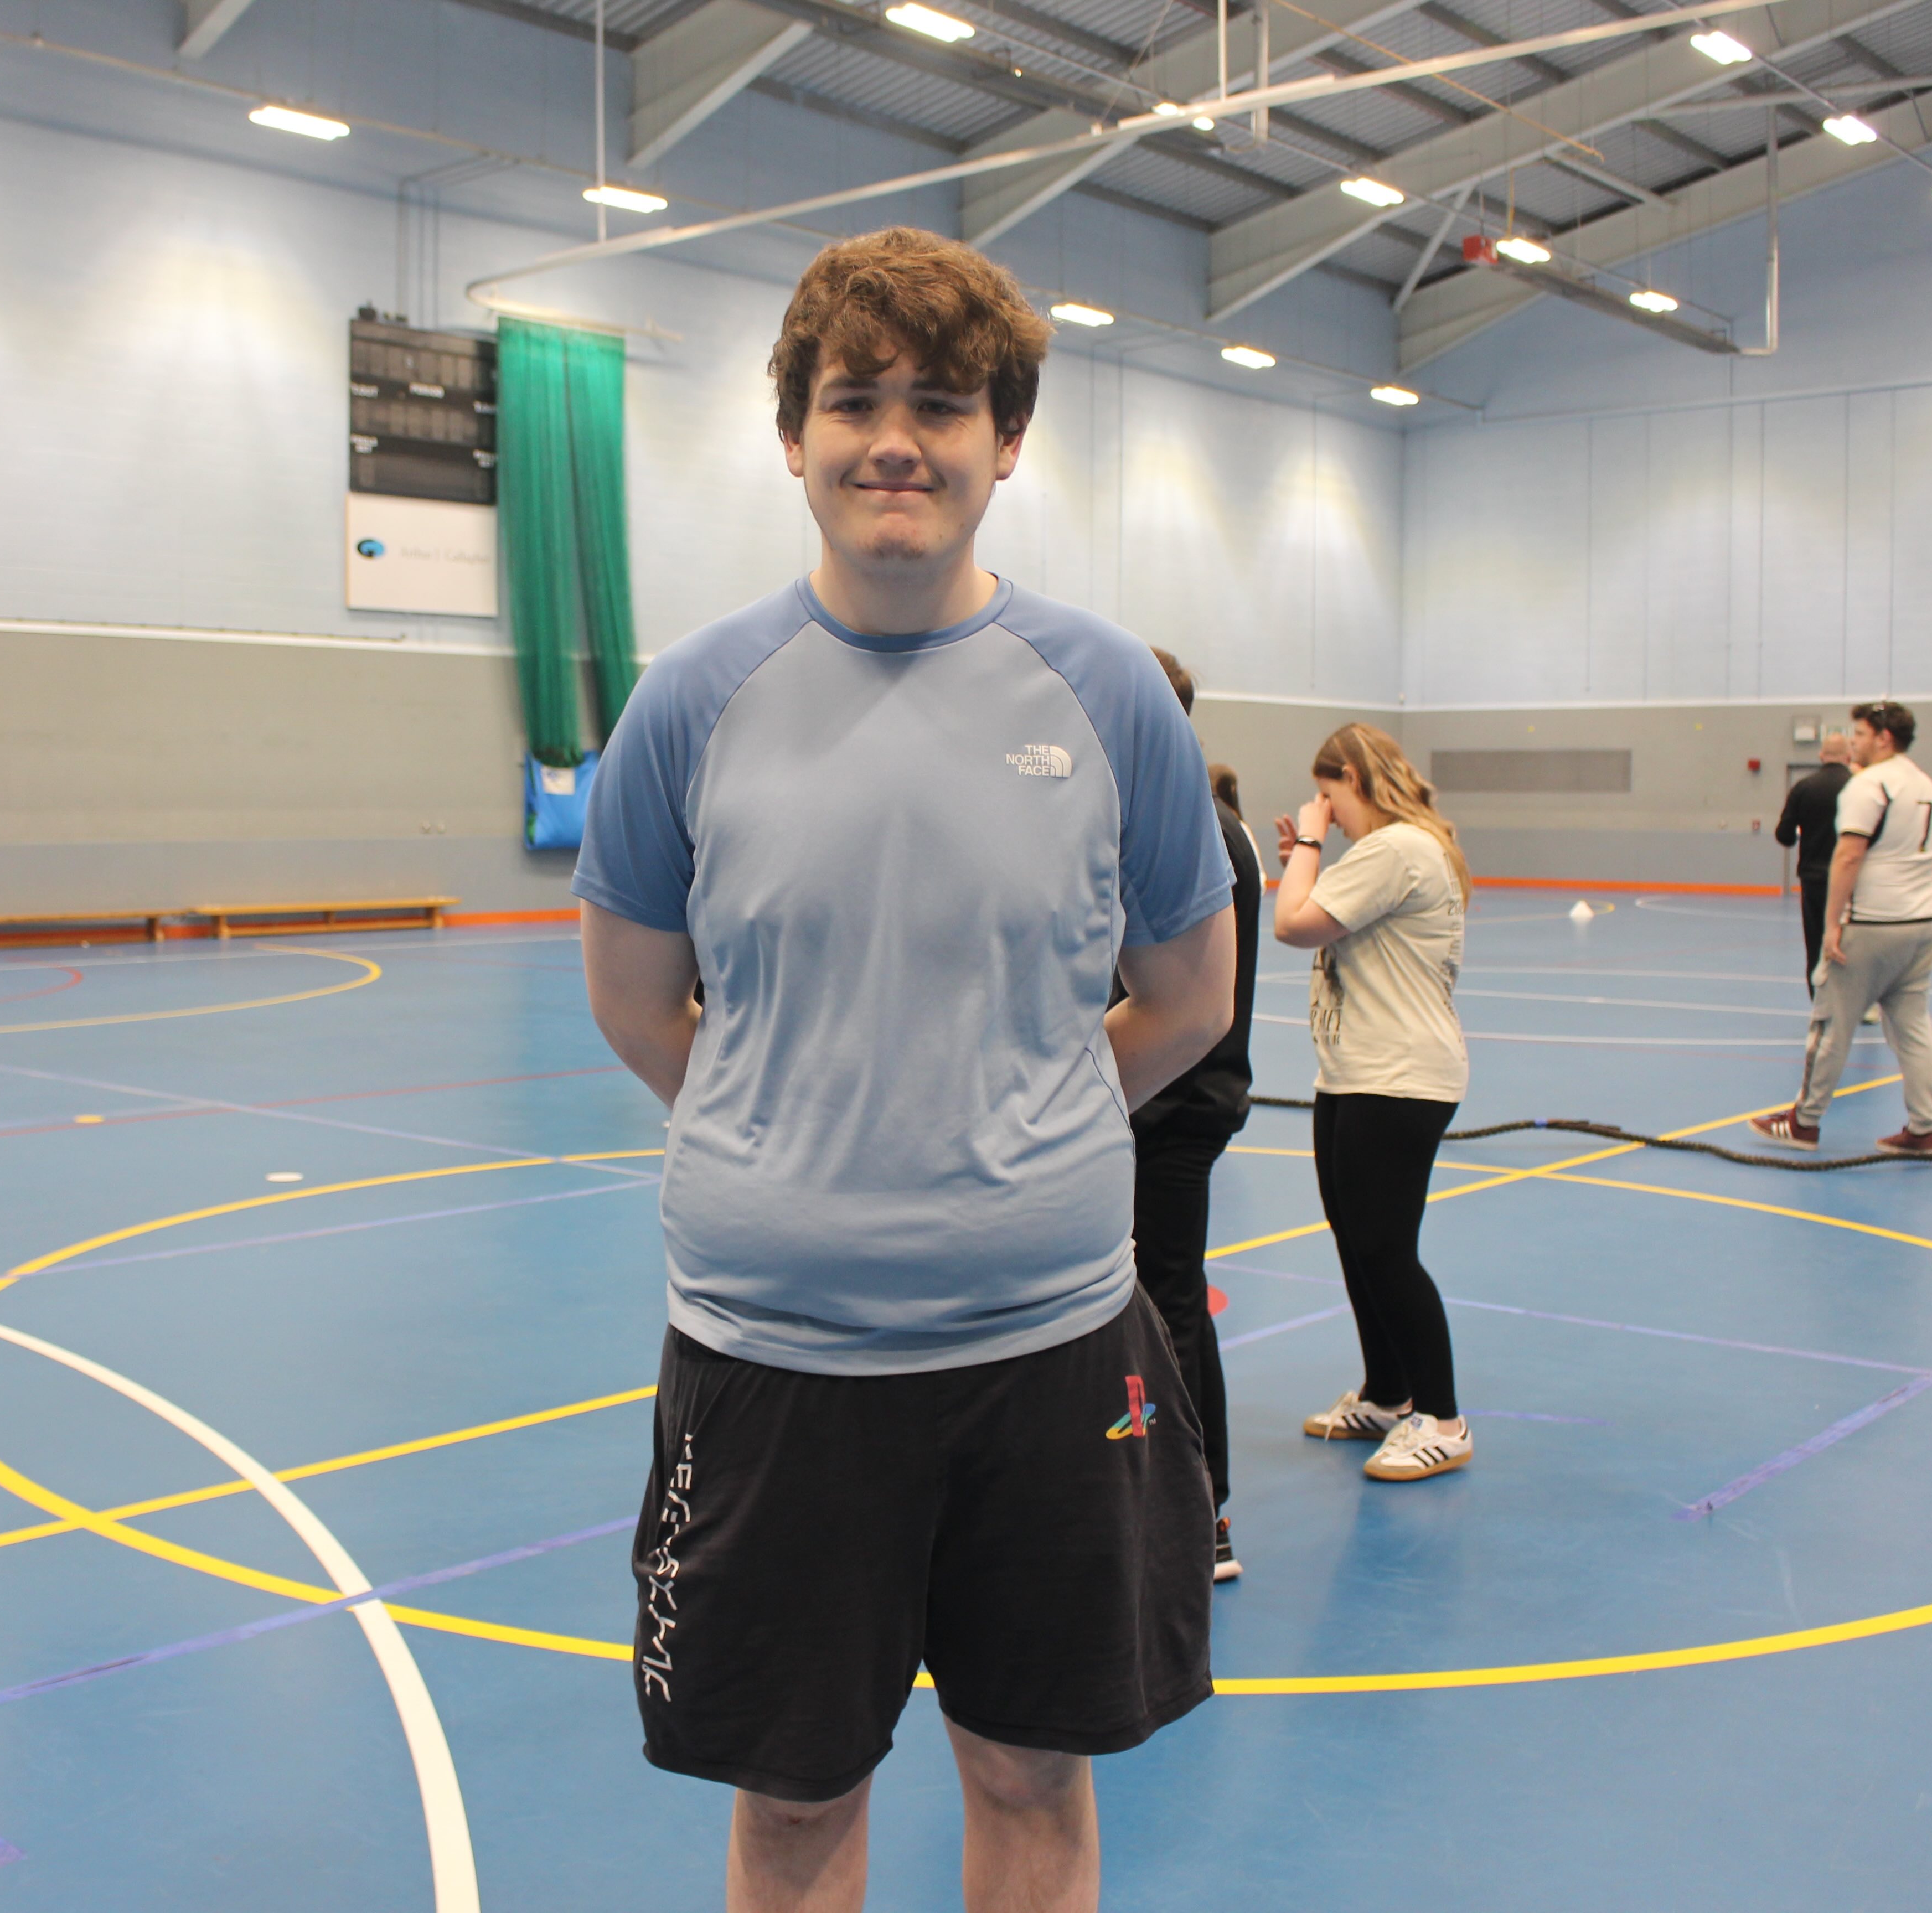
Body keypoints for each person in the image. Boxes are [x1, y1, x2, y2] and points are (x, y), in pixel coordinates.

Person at [574, 227, 1237, 1913]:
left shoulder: (1107, 695)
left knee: (1032, 1779)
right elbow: (642, 1006)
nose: (896, 438)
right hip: (774, 1367)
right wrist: (788, 1138)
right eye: (854, 398)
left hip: (1051, 1355)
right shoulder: (691, 702)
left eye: (942, 404)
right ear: (791, 433)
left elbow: (1189, 995)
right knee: (792, 1806)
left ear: (1005, 440)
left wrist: (1018, 1133)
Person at [1270, 723, 1474, 1483]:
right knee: (1357, 1242)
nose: (1326, 811)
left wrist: (1311, 848)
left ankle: (1444, 1418)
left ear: (1353, 777)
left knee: (1387, 1249)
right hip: (1354, 1072)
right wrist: (1309, 858)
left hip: (1399, 1077)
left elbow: (1293, 923)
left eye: (1330, 796)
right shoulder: (1391, 853)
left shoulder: (1399, 849)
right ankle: (1390, 1393)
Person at [1124, 663, 1265, 1583]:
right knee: (1152, 1299)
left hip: (1168, 1104)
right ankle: (1165, 1495)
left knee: (1167, 1300)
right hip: (1172, 1100)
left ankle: (1195, 1512)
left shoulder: (1186, 827)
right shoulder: (1216, 823)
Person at [1750, 701, 1932, 1154]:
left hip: (1873, 924)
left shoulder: (1871, 785)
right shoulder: (1927, 787)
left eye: (1859, 734)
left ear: (1883, 738)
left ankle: (1805, 1121)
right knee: (1914, 1030)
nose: (1854, 742)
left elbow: (1849, 855)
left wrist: (1834, 924)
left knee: (1830, 1024)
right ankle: (1924, 1128)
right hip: (1922, 925)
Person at [1774, 731, 1854, 993]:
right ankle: (1859, 1005)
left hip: (1814, 879)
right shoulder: (1858, 787)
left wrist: (1805, 831)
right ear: (1848, 756)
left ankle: (1819, 1004)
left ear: (1821, 756)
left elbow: (1784, 836)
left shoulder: (1803, 788)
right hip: (1852, 880)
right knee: (1852, 942)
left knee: (1816, 944)